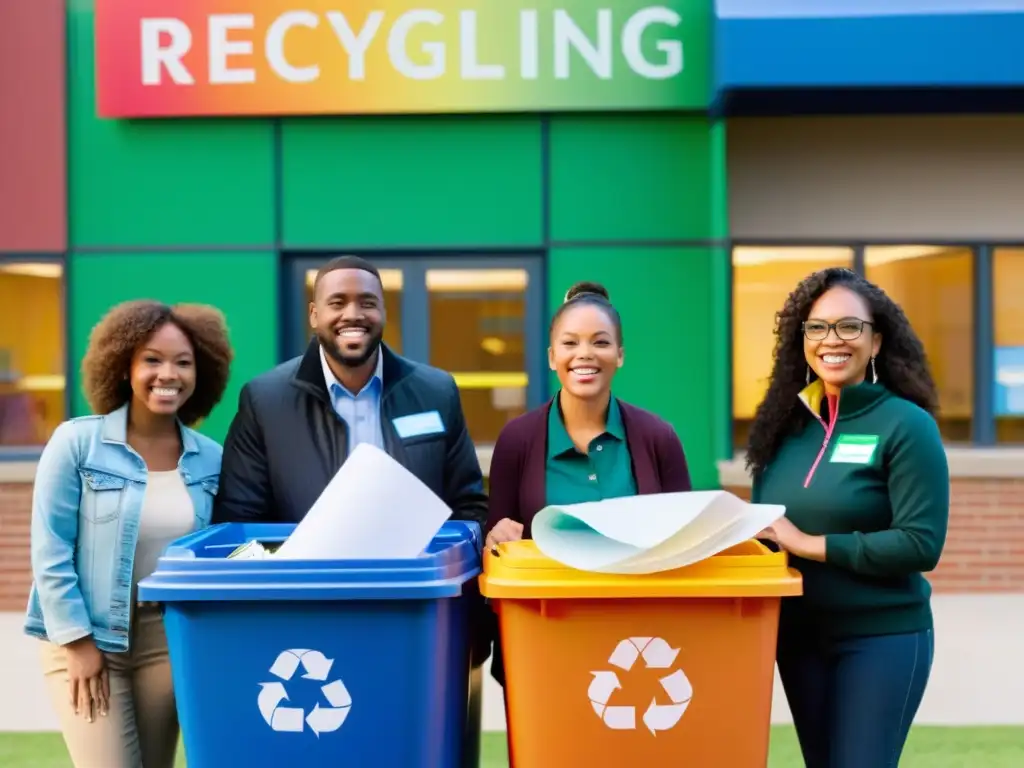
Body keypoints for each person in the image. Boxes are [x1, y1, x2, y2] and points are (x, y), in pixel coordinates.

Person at [748, 267, 948, 768]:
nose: (831, 340)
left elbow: (920, 544)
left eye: (848, 327)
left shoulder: (906, 426)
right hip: (799, 638)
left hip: (882, 637)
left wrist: (812, 543)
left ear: (876, 341)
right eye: (816, 328)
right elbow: (771, 533)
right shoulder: (784, 430)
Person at [24, 300, 233, 768]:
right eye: (152, 360)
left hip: (168, 635)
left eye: (183, 362)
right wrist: (77, 644)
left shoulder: (210, 458)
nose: (168, 374)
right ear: (123, 367)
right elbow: (50, 549)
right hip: (87, 632)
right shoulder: (77, 443)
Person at [484, 281, 693, 687]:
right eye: (570, 343)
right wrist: (495, 538)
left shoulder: (657, 438)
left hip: (642, 639)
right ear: (551, 357)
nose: (584, 354)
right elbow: (496, 550)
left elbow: (686, 543)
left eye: (600, 342)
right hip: (545, 633)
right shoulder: (517, 441)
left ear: (620, 355)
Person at [211, 255, 487, 526]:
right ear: (314, 315)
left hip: (414, 569)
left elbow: (468, 507)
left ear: (383, 313)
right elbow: (240, 519)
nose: (353, 315)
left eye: (367, 303)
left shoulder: (436, 392)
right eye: (337, 302)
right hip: (306, 571)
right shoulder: (265, 401)